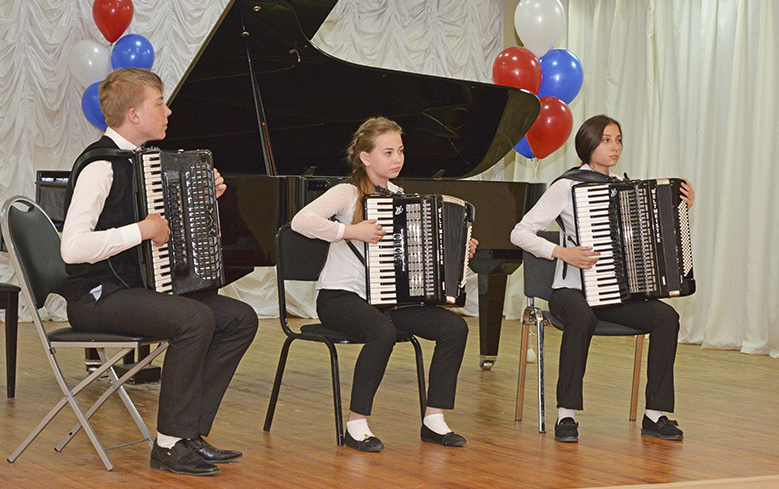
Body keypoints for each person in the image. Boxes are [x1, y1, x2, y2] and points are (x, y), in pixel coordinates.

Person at [60, 68, 259, 476]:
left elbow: (170, 228)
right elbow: (73, 248)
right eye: (159, 104)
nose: (168, 111)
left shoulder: (146, 163)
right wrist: (142, 230)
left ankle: (189, 434)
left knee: (240, 318)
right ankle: (168, 444)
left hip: (137, 290)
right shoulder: (100, 166)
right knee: (194, 319)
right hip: (96, 297)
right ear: (134, 114)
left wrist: (205, 191)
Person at [290, 116, 474, 452]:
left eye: (400, 151)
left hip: (387, 299)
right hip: (339, 297)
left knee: (453, 328)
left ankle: (434, 420)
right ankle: (356, 424)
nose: (397, 159)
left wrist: (459, 249)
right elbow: (301, 221)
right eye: (388, 152)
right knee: (382, 331)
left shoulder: (402, 198)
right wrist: (351, 231)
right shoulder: (346, 193)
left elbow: (418, 254)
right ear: (365, 157)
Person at [510, 114, 694, 443]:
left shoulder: (625, 188)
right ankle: (566, 414)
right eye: (607, 140)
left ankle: (655, 415)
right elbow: (520, 233)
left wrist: (680, 208)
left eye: (618, 140)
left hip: (612, 294)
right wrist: (561, 252)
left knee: (666, 317)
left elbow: (650, 234)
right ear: (588, 143)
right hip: (570, 291)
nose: (615, 147)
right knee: (582, 318)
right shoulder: (566, 186)